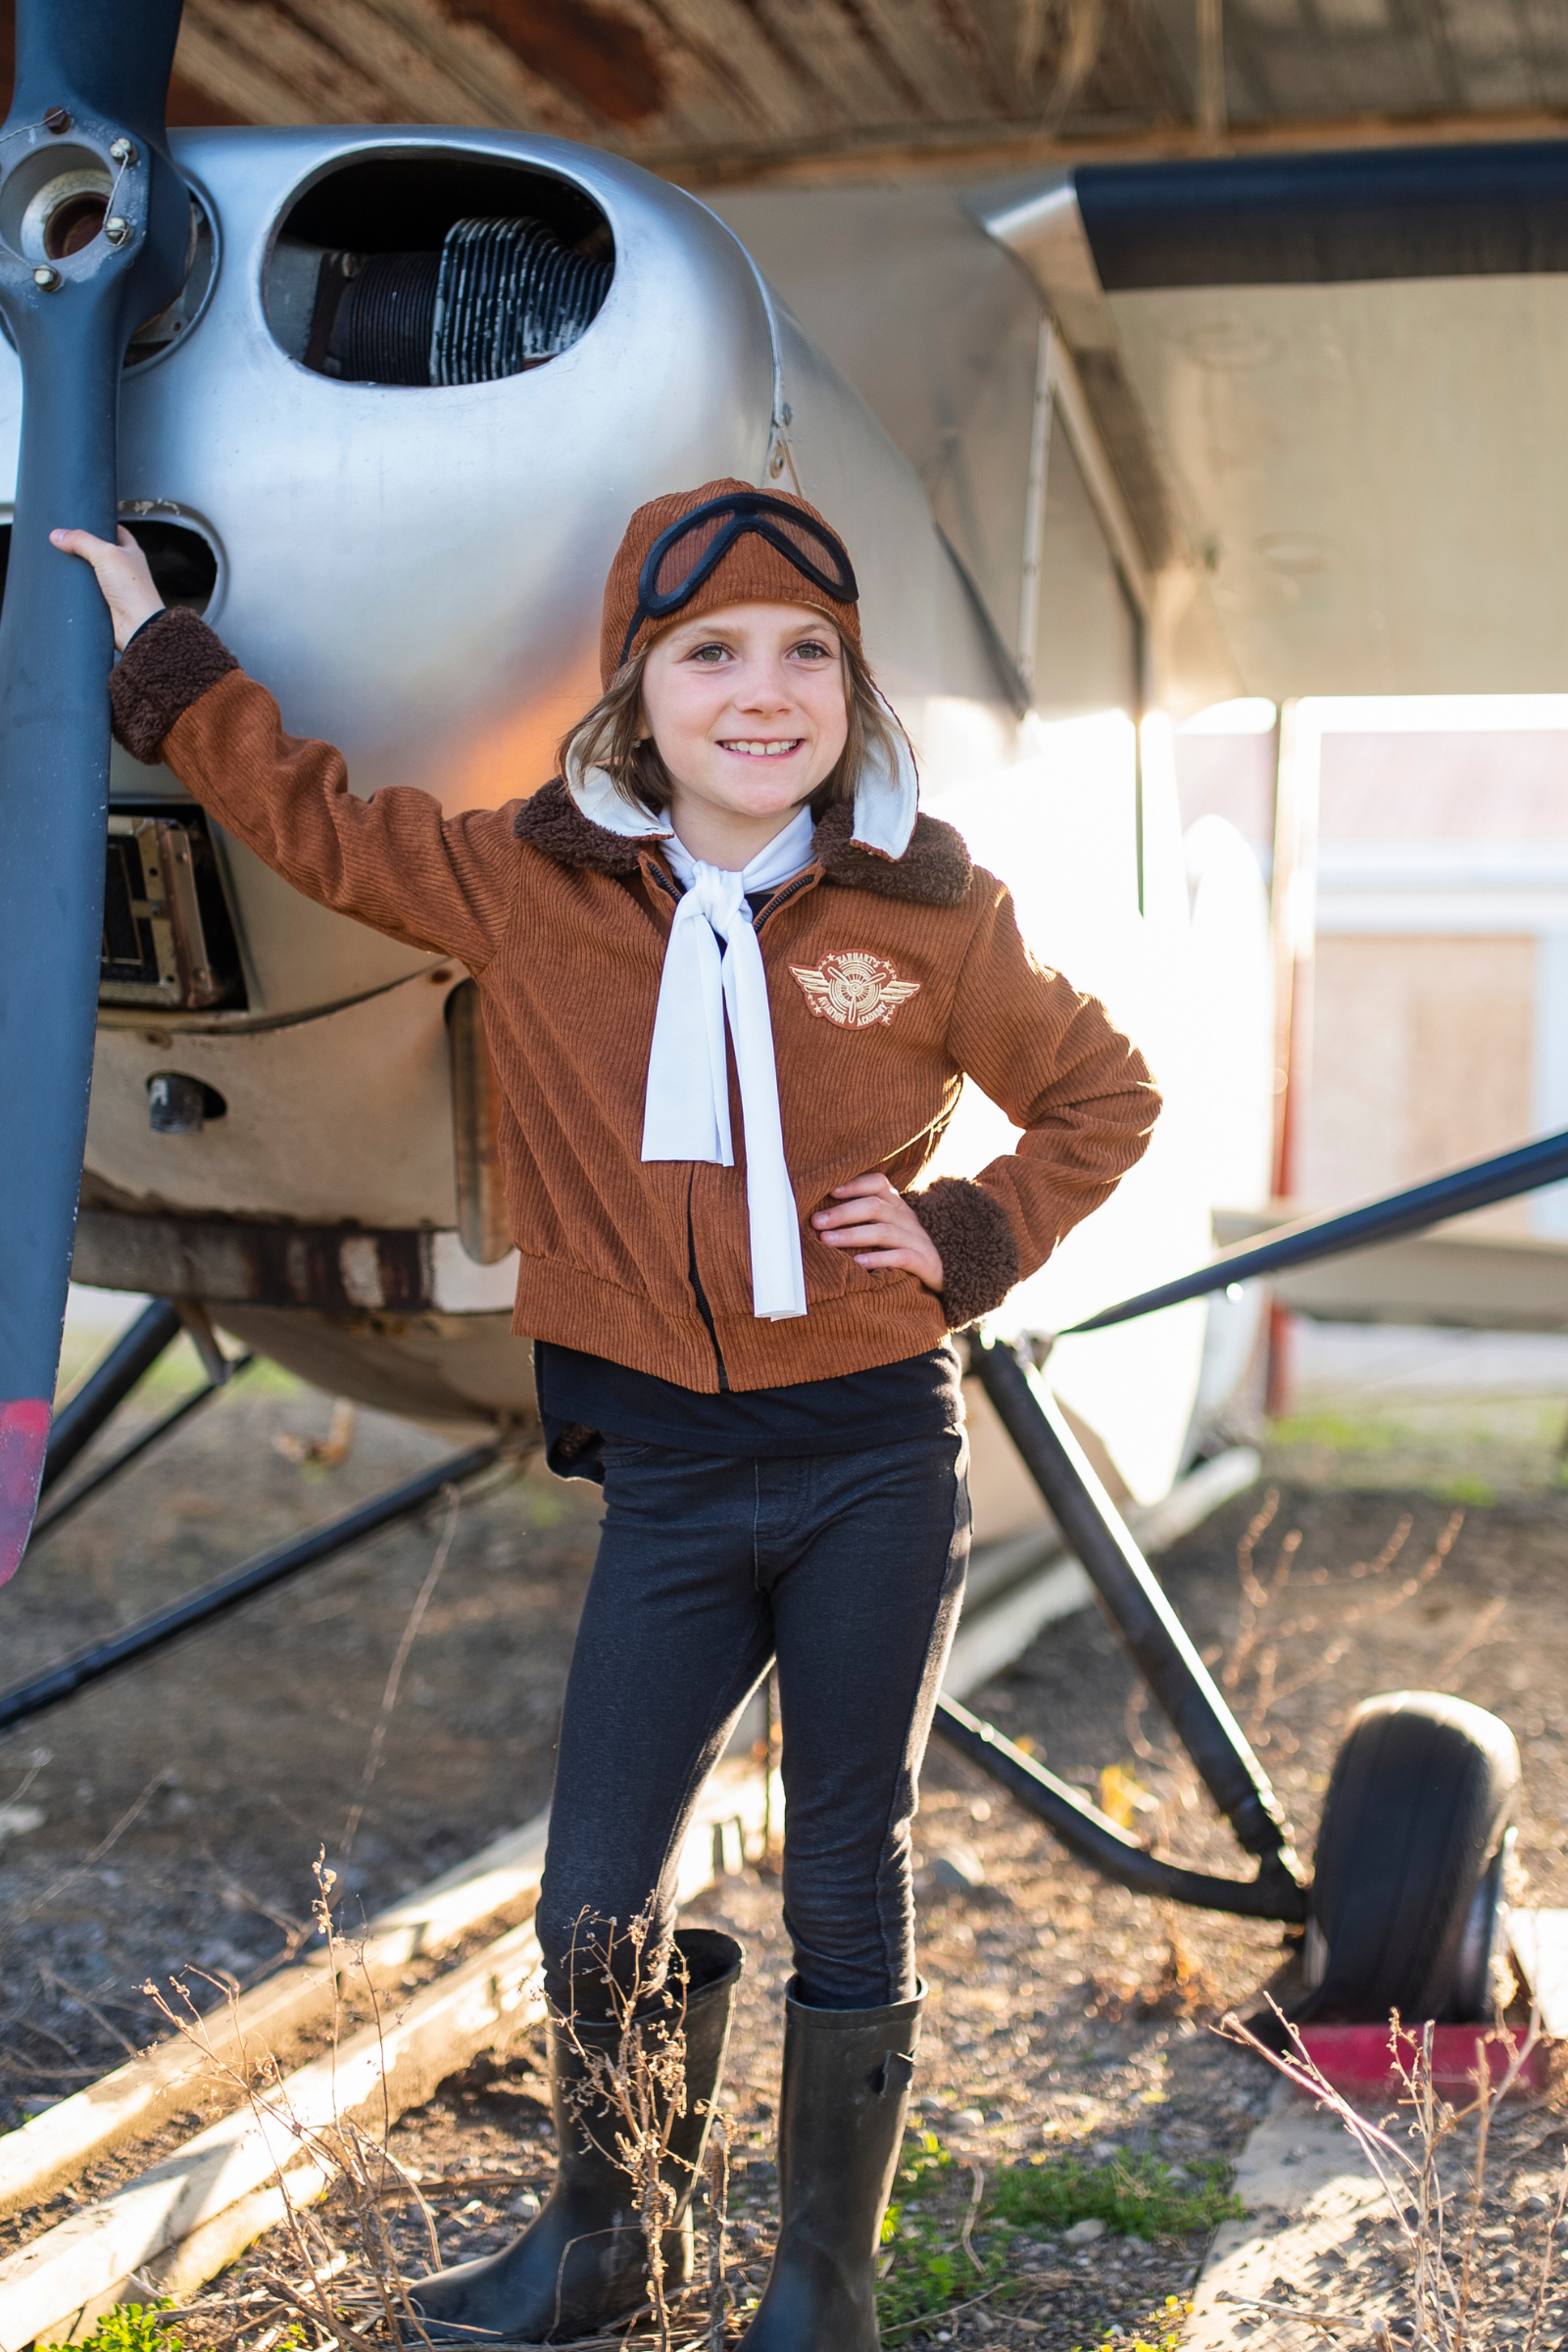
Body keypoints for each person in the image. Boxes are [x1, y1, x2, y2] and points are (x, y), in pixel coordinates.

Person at [58, 482, 1160, 2351]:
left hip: (872, 1451)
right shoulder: (525, 880)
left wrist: (968, 1227)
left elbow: (1104, 1094)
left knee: (845, 1861)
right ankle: (610, 2238)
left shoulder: (930, 911)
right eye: (709, 651)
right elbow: (314, 821)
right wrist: (160, 650)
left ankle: (827, 2276)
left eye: (807, 650)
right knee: (593, 1894)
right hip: (665, 1473)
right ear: (635, 694)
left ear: (852, 687)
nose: (764, 690)